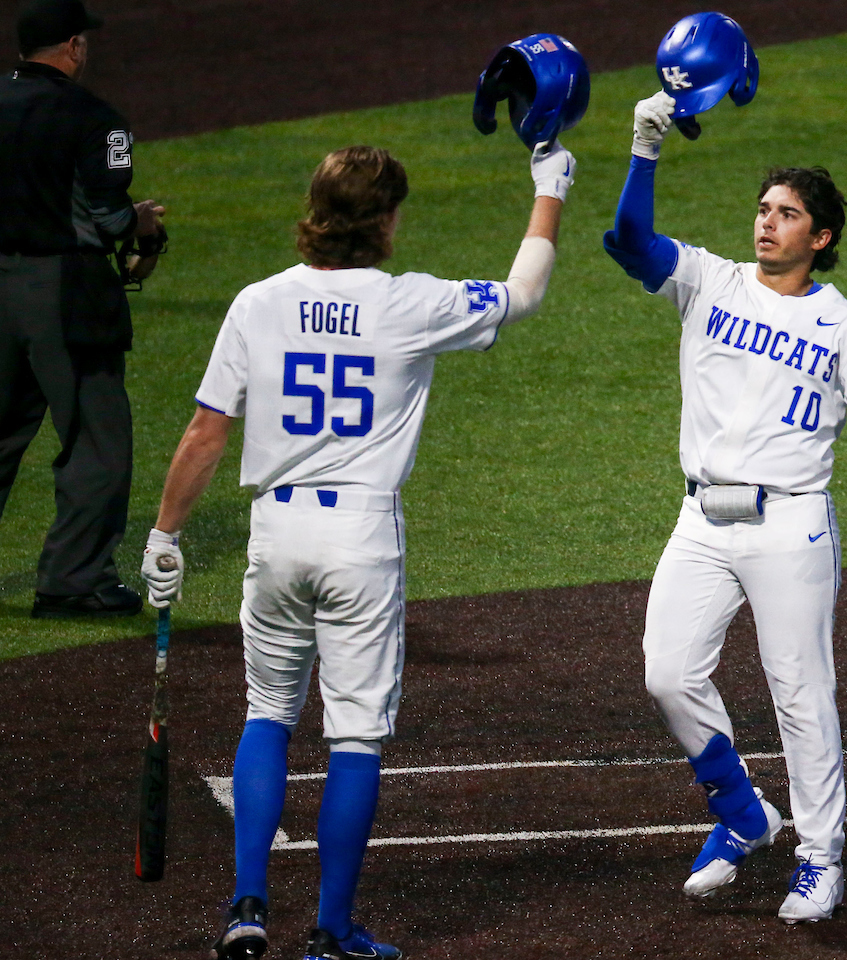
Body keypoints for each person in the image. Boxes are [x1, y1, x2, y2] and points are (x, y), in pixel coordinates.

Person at [141, 141, 575, 960]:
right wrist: (549, 190)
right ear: (383, 220)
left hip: (276, 533)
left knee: (268, 713)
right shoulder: (408, 302)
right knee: (354, 738)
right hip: (360, 539)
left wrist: (165, 534)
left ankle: (246, 907)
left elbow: (205, 431)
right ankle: (332, 932)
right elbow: (522, 294)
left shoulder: (257, 301)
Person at [604, 92, 847, 923]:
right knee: (668, 673)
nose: (767, 223)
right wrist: (644, 149)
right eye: (763, 208)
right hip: (701, 519)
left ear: (822, 237)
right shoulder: (709, 280)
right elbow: (628, 243)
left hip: (791, 525)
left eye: (787, 214)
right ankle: (744, 813)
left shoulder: (842, 324)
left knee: (800, 693)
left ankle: (820, 859)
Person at [0, 0, 166, 618]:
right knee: (96, 439)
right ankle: (74, 580)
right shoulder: (96, 118)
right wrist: (142, 224)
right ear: (73, 46)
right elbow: (107, 213)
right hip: (63, 293)